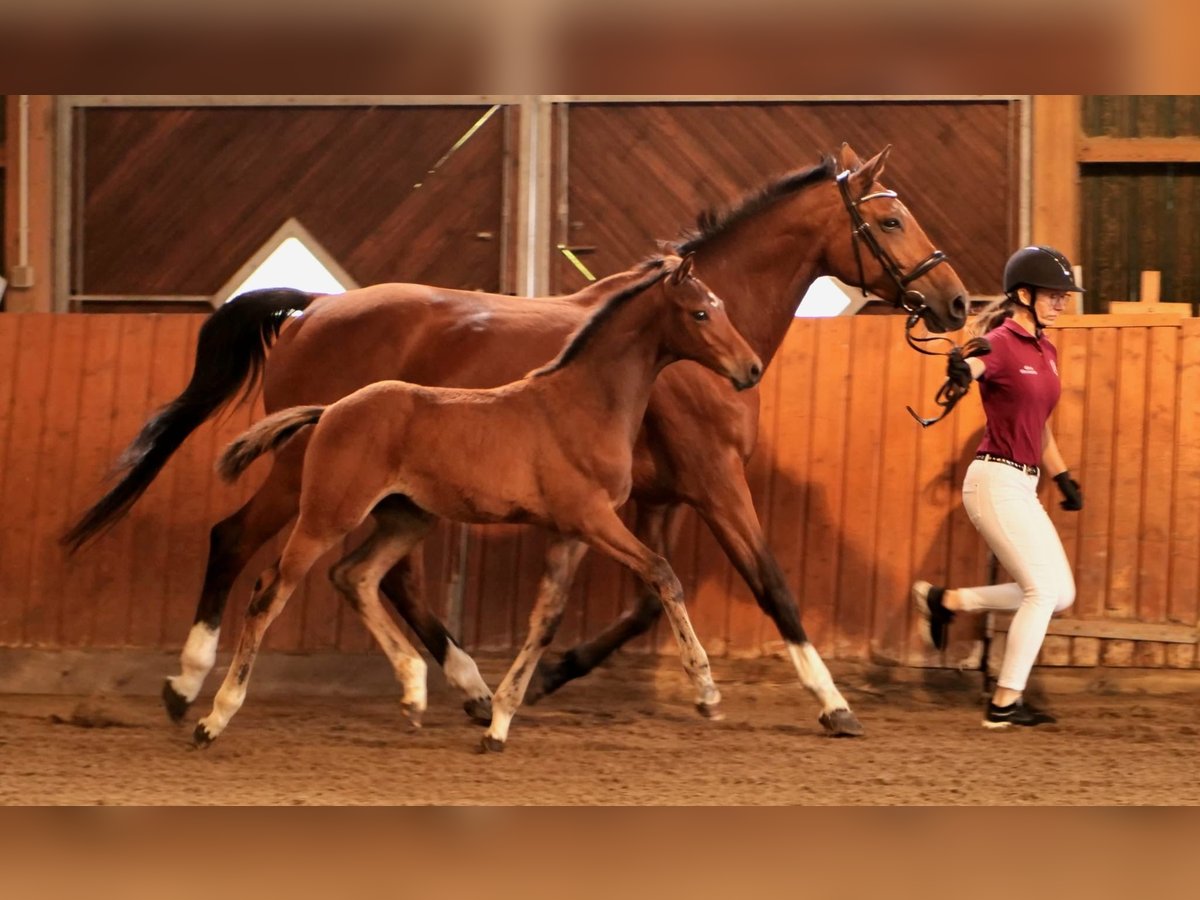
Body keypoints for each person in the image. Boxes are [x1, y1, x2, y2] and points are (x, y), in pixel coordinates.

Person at [912, 245, 1084, 729]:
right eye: (1053, 295)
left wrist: (1062, 476)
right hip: (995, 479)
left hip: (1025, 483)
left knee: (1061, 594)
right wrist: (963, 370)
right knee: (1040, 591)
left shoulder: (1046, 350)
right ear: (1023, 295)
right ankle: (1004, 703)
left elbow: (1039, 423)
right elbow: (977, 364)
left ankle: (948, 601)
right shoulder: (1001, 342)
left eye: (1063, 295)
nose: (1061, 302)